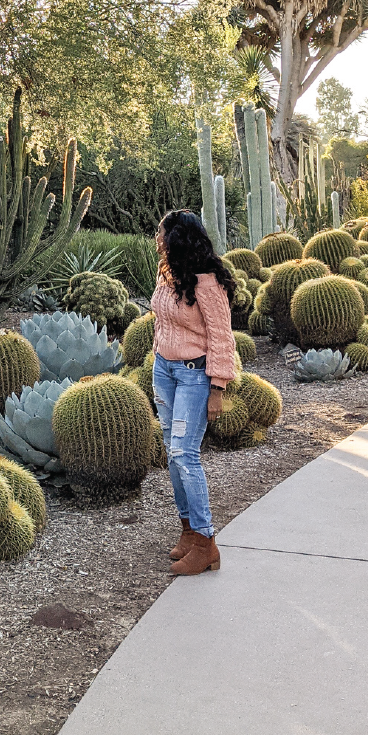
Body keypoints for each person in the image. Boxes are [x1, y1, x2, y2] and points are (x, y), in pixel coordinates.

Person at [147, 209, 239, 575]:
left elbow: (222, 338)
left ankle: (205, 542)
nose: (156, 239)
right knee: (173, 455)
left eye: (161, 233)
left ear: (176, 239)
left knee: (185, 454)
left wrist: (217, 388)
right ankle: (187, 531)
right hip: (164, 371)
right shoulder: (168, 273)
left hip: (193, 376)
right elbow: (162, 320)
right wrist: (159, 355)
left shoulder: (208, 282)